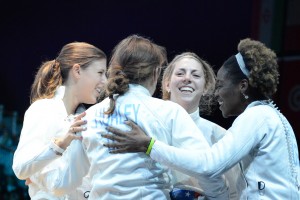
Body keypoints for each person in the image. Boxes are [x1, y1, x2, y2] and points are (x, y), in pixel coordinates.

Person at [102, 38, 300, 199]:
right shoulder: (264, 116)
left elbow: (210, 167)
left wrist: (150, 145)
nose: (217, 93)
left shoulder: (256, 117)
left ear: (242, 86)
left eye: (220, 85)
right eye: (180, 73)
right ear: (165, 82)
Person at [46, 34, 230, 199]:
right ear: (157, 72)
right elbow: (207, 169)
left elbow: (61, 184)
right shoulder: (168, 112)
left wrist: (43, 165)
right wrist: (219, 196)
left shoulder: (89, 117)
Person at [12, 42, 107, 199]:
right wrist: (59, 145)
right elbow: (21, 168)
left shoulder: (86, 120)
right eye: (100, 72)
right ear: (77, 70)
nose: (105, 80)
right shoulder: (43, 109)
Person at [161, 52, 243, 199]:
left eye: (196, 75)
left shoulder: (221, 136)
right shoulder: (148, 126)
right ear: (167, 84)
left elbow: (234, 193)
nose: (187, 79)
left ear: (205, 87)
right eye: (180, 73)